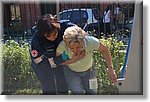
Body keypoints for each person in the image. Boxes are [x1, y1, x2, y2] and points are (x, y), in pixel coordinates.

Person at [56, 26, 117, 95]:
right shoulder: (62, 45)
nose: (75, 50)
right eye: (71, 48)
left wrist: (110, 68)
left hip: (89, 71)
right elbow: (57, 61)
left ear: (83, 40)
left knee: (92, 93)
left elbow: (104, 50)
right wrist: (73, 60)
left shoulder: (91, 42)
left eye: (78, 47)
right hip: (71, 72)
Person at [30, 14, 75, 95]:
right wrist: (55, 62)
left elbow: (80, 33)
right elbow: (38, 61)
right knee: (48, 85)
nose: (52, 38)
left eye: (54, 34)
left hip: (58, 58)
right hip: (42, 63)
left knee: (62, 82)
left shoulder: (66, 27)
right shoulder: (36, 40)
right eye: (48, 36)